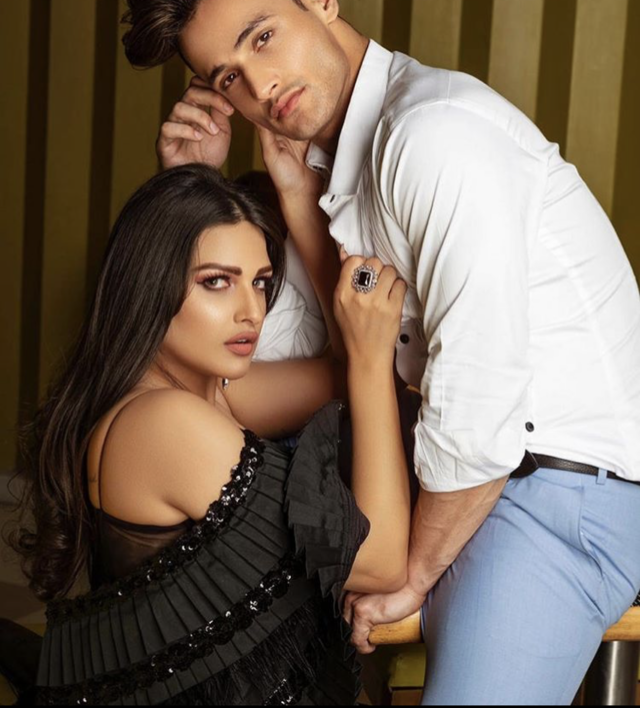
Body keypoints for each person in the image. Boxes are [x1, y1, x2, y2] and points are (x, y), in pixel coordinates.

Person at [119, 0, 640, 705]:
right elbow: (318, 356)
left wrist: (413, 572)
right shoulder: (345, 159)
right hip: (470, 480)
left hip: (559, 492)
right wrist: (230, 194)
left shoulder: (431, 134)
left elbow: (482, 394)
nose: (260, 87)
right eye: (229, 77)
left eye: (263, 37)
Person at [0, 161, 411, 705]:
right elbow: (379, 562)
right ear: (150, 285)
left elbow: (346, 373)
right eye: (216, 282)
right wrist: (373, 357)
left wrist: (297, 199)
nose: (251, 311)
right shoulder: (164, 423)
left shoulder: (207, 393)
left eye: (260, 282)